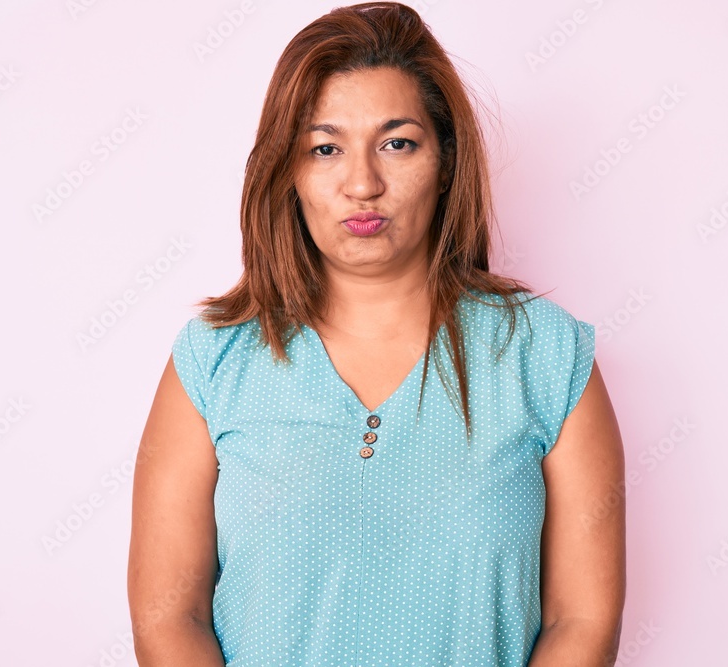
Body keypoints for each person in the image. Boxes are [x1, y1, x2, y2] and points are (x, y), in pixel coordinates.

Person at [127, 2, 626, 665]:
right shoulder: (214, 361)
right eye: (324, 148)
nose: (362, 183)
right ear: (289, 172)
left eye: (397, 143)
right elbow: (169, 617)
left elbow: (582, 619)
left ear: (446, 163)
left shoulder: (548, 356)